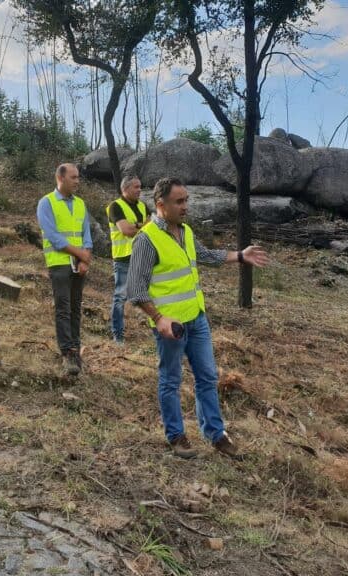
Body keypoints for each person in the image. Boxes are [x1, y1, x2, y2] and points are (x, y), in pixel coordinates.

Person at [127, 177, 269, 459]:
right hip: (171, 327)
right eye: (179, 202)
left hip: (196, 319)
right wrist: (158, 318)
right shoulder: (146, 240)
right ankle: (176, 436)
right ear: (160, 205)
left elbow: (205, 255)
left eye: (186, 200)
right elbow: (135, 290)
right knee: (170, 380)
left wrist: (240, 255)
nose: (185, 206)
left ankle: (216, 435)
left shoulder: (186, 232)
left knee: (206, 377)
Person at [36, 163, 93, 376]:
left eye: (78, 177)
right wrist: (80, 254)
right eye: (73, 177)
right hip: (59, 263)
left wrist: (85, 259)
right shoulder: (46, 203)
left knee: (75, 307)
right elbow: (54, 237)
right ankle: (67, 352)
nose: (77, 181)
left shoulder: (80, 204)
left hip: (78, 264)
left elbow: (86, 235)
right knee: (63, 307)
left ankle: (76, 348)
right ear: (60, 177)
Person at [106, 175, 147, 344]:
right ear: (125, 189)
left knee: (148, 294)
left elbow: (154, 225)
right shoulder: (115, 206)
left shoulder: (143, 206)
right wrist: (141, 225)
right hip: (123, 257)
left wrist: (137, 225)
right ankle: (118, 335)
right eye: (136, 187)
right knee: (120, 297)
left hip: (142, 256)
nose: (139, 190)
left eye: (140, 186)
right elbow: (126, 230)